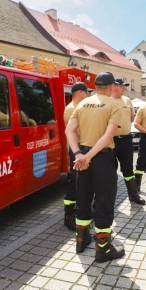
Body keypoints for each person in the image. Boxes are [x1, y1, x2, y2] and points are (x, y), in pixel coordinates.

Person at [65, 72, 125, 263]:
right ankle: (103, 249)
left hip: (82, 156)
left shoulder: (82, 103)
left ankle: (81, 241)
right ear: (111, 86)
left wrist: (78, 155)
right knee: (104, 201)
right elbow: (108, 137)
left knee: (83, 199)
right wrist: (89, 157)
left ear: (96, 86)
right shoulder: (114, 104)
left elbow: (69, 130)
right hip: (101, 158)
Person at [111, 78, 146, 205]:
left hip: (126, 140)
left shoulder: (127, 100)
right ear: (114, 86)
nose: (124, 88)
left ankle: (133, 195)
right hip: (110, 141)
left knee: (128, 169)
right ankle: (109, 198)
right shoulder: (107, 100)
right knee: (109, 170)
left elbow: (131, 117)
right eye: (122, 86)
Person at [62, 82, 91, 231]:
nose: (88, 95)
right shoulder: (71, 109)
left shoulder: (78, 107)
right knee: (74, 182)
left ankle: (77, 211)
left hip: (80, 148)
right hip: (77, 149)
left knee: (80, 181)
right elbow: (79, 131)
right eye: (86, 92)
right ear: (79, 92)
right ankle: (69, 216)